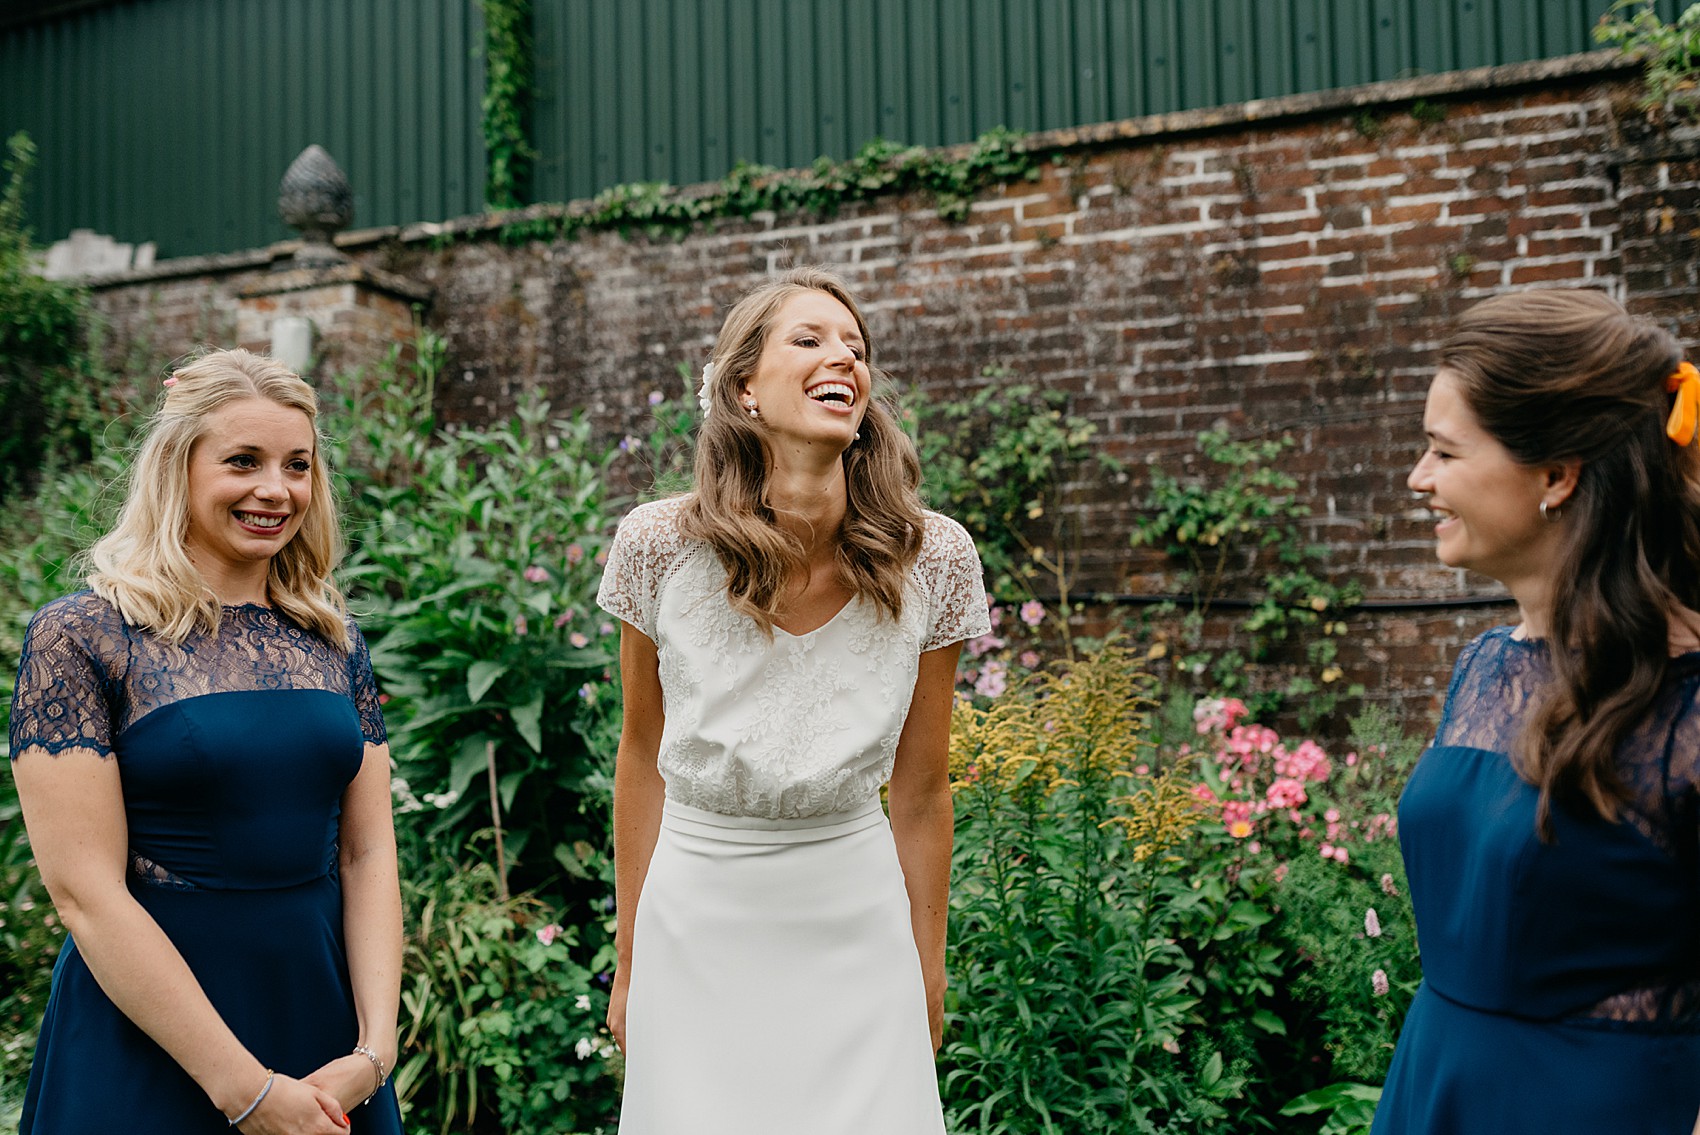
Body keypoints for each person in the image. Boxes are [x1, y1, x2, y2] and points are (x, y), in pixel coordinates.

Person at [595, 267, 989, 1135]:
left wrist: (928, 966)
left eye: (856, 346)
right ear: (744, 388)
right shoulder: (658, 546)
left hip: (855, 921)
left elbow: (922, 793)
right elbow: (639, 757)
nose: (841, 355)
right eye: (808, 339)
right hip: (696, 922)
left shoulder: (937, 560)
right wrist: (630, 960)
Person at [8, 349, 404, 1134]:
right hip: (151, 1032)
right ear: (176, 469)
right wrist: (244, 1088)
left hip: (321, 1021)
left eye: (298, 464)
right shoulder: (84, 636)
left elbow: (368, 854)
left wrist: (373, 1050)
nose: (276, 488)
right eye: (243, 461)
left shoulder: (334, 640)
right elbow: (85, 893)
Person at [1378, 290, 1700, 1134]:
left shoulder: (1691, 709)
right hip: (1437, 1089)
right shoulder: (1485, 668)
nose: (1419, 477)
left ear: (1557, 474)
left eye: (1444, 451)